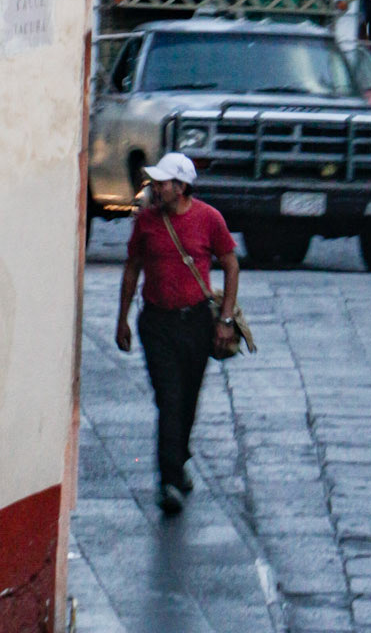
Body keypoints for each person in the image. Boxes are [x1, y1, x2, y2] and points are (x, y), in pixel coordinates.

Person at [115, 151, 240, 514]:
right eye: (155, 183)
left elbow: (231, 265)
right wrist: (122, 318)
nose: (156, 189)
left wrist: (225, 320)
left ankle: (179, 457)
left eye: (163, 183)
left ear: (181, 187)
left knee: (188, 398)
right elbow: (132, 268)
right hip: (157, 322)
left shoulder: (208, 219)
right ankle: (169, 479)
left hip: (196, 321)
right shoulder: (146, 222)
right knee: (169, 397)